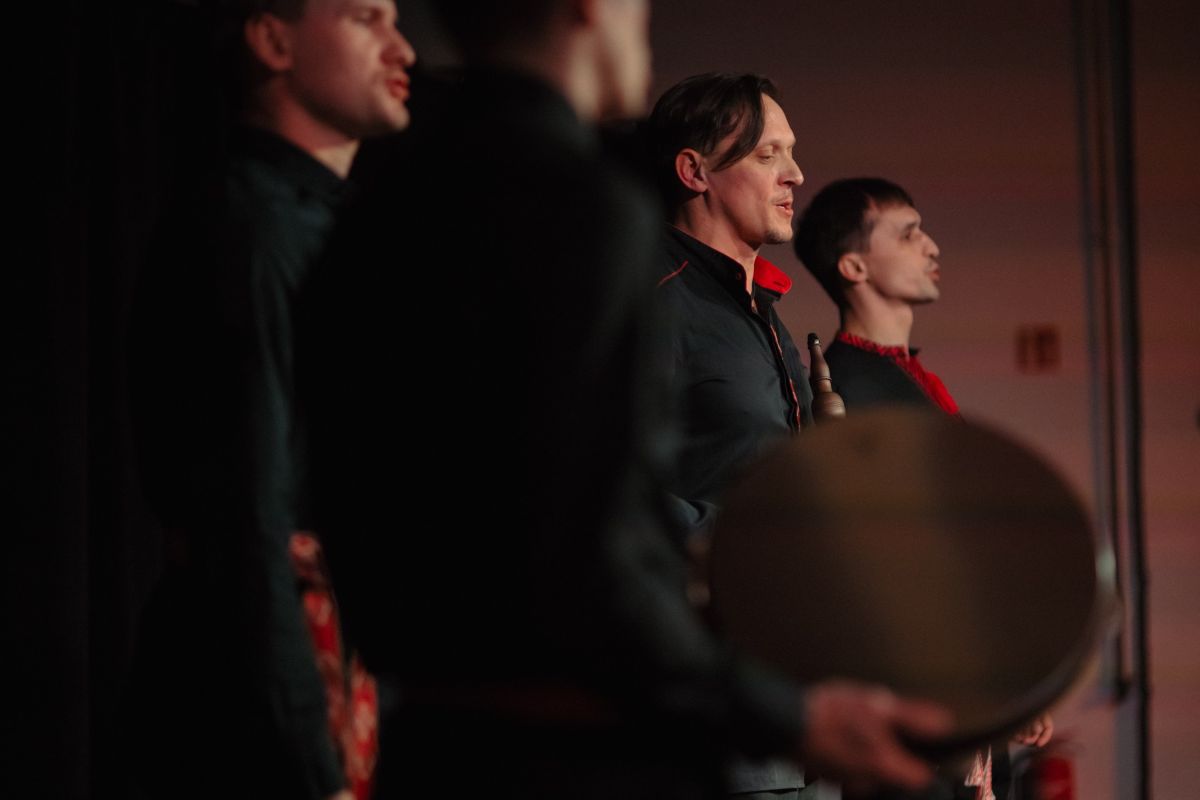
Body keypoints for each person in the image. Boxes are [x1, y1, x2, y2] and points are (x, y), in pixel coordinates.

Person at [128, 1, 416, 798]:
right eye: (366, 17)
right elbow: (248, 513)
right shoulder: (252, 227)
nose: (402, 48)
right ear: (272, 39)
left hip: (334, 666)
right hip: (263, 694)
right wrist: (312, 759)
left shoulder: (331, 227)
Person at [794, 177, 1055, 799]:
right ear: (854, 265)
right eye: (908, 234)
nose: (931, 246)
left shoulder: (904, 378)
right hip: (922, 702)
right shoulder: (848, 387)